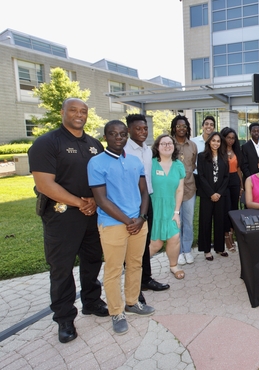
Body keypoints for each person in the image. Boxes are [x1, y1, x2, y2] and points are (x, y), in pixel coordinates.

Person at [28, 98, 107, 344]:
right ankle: (64, 318)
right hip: (62, 216)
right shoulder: (47, 143)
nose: (79, 115)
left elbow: (102, 177)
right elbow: (44, 184)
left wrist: (94, 201)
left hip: (91, 213)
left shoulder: (94, 144)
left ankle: (91, 302)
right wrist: (79, 202)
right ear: (63, 112)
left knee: (93, 259)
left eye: (83, 111)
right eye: (73, 110)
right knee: (61, 268)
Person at [88, 120, 155, 335]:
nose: (118, 137)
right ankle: (116, 311)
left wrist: (142, 217)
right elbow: (101, 200)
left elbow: (144, 192)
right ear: (105, 136)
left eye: (122, 134)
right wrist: (129, 221)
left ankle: (132, 303)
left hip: (138, 222)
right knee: (114, 269)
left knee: (135, 264)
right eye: (113, 134)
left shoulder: (135, 161)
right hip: (113, 224)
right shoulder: (96, 163)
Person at [124, 114, 169, 300]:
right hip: (130, 202)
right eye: (138, 129)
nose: (143, 132)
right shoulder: (124, 149)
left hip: (146, 199)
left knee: (144, 242)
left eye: (145, 129)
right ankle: (133, 288)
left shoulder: (148, 150)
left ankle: (145, 279)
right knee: (131, 247)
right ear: (129, 130)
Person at [149, 135, 186, 279]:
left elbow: (180, 190)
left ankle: (173, 265)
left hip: (171, 207)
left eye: (169, 143)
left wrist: (176, 211)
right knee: (156, 243)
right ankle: (138, 267)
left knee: (174, 237)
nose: (167, 146)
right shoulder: (150, 164)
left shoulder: (178, 165)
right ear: (157, 147)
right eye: (163, 143)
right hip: (154, 207)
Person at [197, 132, 230, 261]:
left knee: (220, 221)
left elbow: (226, 177)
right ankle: (206, 250)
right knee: (206, 221)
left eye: (218, 141)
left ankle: (219, 247)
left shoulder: (224, 157)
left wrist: (219, 193)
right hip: (207, 195)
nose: (216, 143)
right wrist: (211, 193)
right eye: (213, 140)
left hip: (220, 195)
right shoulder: (202, 156)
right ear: (209, 142)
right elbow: (201, 176)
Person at [170, 115, 198, 265]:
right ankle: (178, 251)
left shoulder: (192, 146)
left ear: (188, 129)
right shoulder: (168, 144)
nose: (182, 129)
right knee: (176, 222)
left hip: (189, 188)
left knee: (188, 221)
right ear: (174, 128)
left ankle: (187, 250)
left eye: (184, 126)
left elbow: (193, 165)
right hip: (172, 191)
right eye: (179, 126)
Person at [221, 127, 243, 252]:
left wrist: (241, 186)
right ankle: (226, 236)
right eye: (228, 138)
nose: (230, 140)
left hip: (235, 180)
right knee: (226, 209)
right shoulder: (220, 151)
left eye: (233, 138)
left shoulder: (236, 151)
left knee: (234, 209)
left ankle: (232, 234)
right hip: (224, 181)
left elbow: (239, 169)